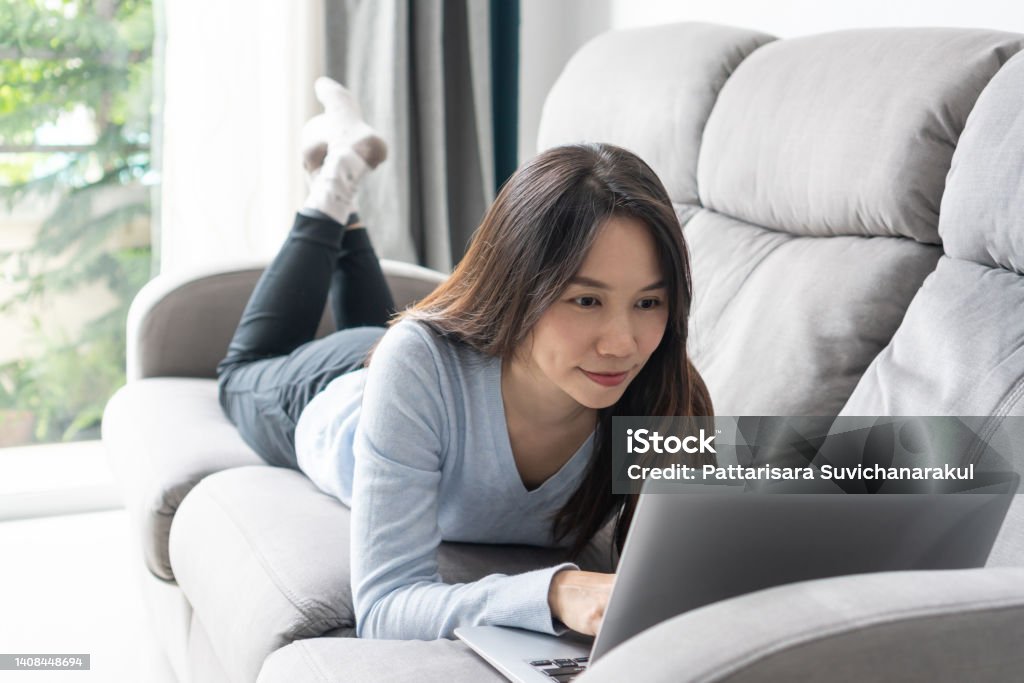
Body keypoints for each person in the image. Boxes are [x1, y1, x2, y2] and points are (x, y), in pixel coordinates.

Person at [216, 77, 713, 641]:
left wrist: (825, 467)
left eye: (648, 301)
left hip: (407, 358)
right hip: (336, 393)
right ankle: (333, 185)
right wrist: (554, 590)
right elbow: (383, 608)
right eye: (586, 300)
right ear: (519, 284)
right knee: (240, 373)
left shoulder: (661, 392)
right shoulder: (419, 362)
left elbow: (809, 469)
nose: (622, 344)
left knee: (385, 332)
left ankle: (348, 203)